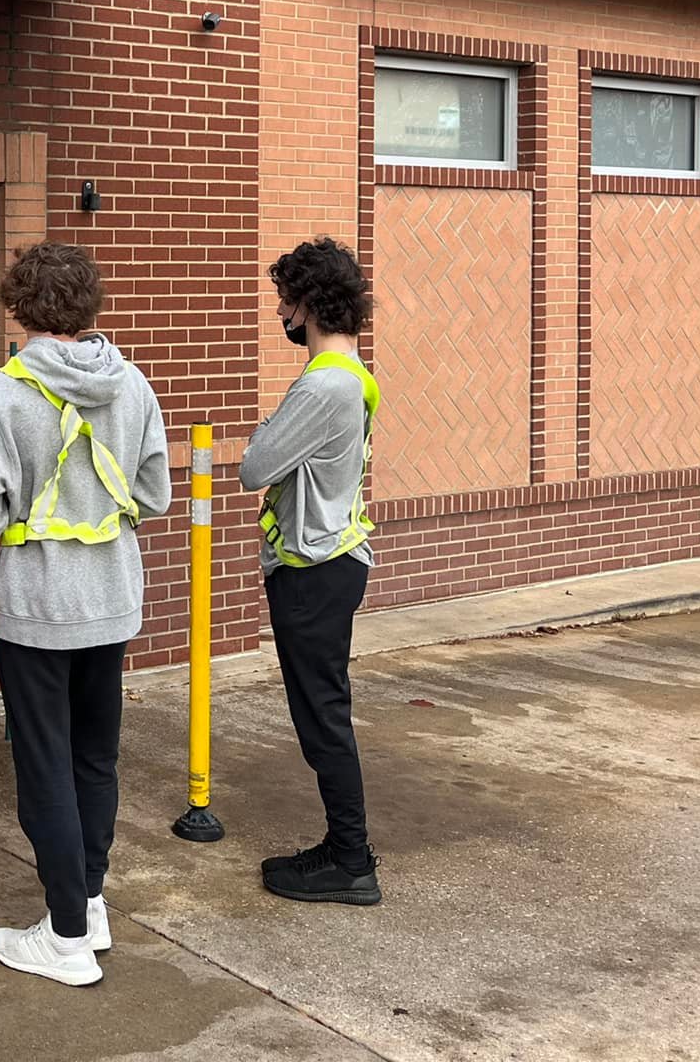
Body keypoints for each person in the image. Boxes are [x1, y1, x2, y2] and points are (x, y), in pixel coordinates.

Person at [0, 242, 170, 987]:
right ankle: (90, 901)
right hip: (111, 596)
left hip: (38, 604)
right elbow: (154, 495)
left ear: (17, 306)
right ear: (89, 305)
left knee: (44, 762)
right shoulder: (132, 384)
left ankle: (67, 933)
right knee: (95, 757)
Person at [240, 236, 383, 907]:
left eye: (284, 301)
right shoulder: (350, 374)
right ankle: (344, 849)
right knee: (325, 711)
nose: (280, 314)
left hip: (312, 570)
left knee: (322, 717)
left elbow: (254, 466)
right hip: (329, 563)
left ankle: (350, 859)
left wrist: (267, 430)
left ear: (309, 304)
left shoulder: (324, 384)